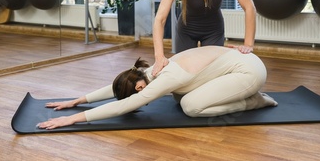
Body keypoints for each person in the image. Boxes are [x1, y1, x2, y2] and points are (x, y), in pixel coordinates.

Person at [37, 45, 277, 130]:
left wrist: (73, 119)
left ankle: (254, 101)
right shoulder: (148, 71)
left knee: (190, 106)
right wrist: (78, 100)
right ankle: (245, 94)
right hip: (237, 65)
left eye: (137, 93)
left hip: (249, 72)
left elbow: (126, 104)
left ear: (140, 87)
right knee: (178, 97)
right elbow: (117, 89)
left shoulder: (164, 77)